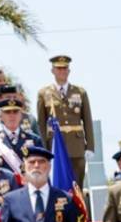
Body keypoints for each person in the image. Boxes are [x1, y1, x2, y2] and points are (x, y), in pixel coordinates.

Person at [35, 56, 95, 192]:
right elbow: (41, 124)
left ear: (69, 71)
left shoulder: (80, 92)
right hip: (55, 147)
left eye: (65, 68)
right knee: (56, 186)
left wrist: (90, 146)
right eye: (59, 68)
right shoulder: (44, 93)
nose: (62, 71)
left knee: (76, 187)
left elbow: (87, 120)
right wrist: (44, 149)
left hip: (76, 147)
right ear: (52, 70)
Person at [0, 99, 43, 169]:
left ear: (21, 115)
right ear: (0, 116)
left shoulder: (34, 140)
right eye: (7, 112)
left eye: (15, 112)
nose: (12, 115)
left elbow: (42, 166)